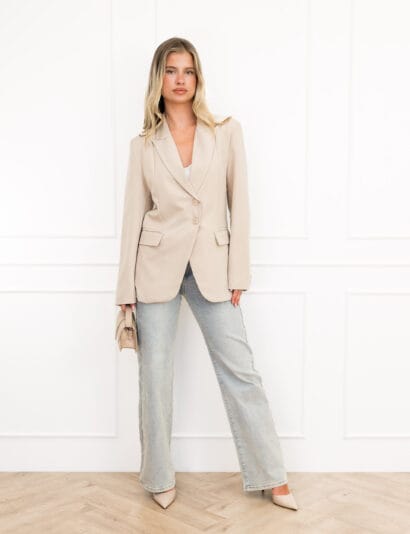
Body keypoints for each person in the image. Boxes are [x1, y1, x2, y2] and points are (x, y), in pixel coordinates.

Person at [115, 36, 298, 512]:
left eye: (188, 71)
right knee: (154, 376)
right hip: (155, 268)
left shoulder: (226, 132)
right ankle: (158, 475)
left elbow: (241, 203)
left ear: (198, 78)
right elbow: (132, 216)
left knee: (241, 371)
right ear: (158, 79)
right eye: (171, 70)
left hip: (213, 268)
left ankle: (271, 474)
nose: (180, 80)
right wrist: (125, 289)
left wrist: (239, 272)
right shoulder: (143, 145)